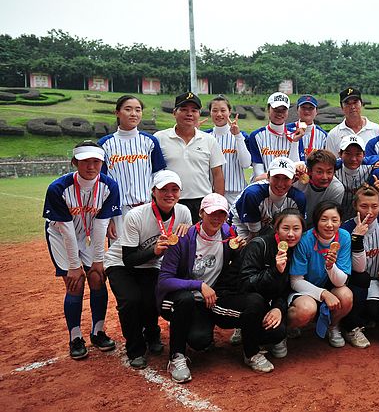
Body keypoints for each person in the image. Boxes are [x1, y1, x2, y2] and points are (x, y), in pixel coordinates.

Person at [157, 193, 283, 380]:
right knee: (194, 325)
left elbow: (235, 267)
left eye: (221, 213)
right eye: (211, 213)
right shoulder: (183, 238)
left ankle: (251, 353)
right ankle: (177, 356)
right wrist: (198, 285)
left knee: (256, 305)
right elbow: (164, 280)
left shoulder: (228, 233)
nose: (216, 218)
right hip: (182, 299)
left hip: (214, 298)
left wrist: (238, 251)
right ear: (201, 213)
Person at [104, 170, 191, 369]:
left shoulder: (183, 212)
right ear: (153, 191)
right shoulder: (136, 215)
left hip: (152, 264)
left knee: (152, 299)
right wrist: (154, 251)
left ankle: (152, 334)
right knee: (130, 301)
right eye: (164, 189)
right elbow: (128, 259)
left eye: (174, 189)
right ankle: (135, 349)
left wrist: (188, 231)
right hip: (120, 264)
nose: (169, 194)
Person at [43, 141, 121, 359]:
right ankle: (75, 337)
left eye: (96, 161)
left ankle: (98, 332)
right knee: (75, 283)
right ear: (74, 162)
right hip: (61, 235)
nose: (91, 166)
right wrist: (74, 266)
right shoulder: (58, 188)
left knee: (97, 278)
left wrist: (98, 261)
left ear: (102, 163)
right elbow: (66, 230)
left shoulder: (109, 186)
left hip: (90, 234)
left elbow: (101, 225)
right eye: (85, 161)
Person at [238, 208, 305, 363]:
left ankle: (270, 332)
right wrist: (275, 271)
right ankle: (246, 336)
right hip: (244, 299)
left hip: (269, 300)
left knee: (277, 332)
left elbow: (286, 288)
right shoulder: (259, 245)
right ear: (276, 229)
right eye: (285, 228)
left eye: (296, 229)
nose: (291, 234)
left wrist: (278, 308)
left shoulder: (297, 250)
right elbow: (245, 284)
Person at [98, 94, 166, 239]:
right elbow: (101, 184)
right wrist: (108, 217)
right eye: (128, 109)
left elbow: (159, 176)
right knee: (121, 251)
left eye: (138, 110)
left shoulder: (150, 141)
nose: (134, 114)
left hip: (148, 207)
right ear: (117, 113)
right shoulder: (105, 144)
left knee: (150, 249)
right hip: (119, 211)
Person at [287, 202, 354, 348]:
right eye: (324, 219)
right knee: (306, 309)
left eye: (334, 220)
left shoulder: (344, 237)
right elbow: (296, 281)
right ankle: (283, 332)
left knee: (346, 295)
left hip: (330, 286)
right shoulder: (305, 240)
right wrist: (323, 293)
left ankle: (333, 326)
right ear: (316, 221)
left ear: (340, 222)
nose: (329, 225)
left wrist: (330, 266)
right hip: (303, 290)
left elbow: (340, 282)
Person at [154, 92, 225, 223]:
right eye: (184, 110)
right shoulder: (159, 138)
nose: (189, 114)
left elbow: (218, 174)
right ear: (174, 112)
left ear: (199, 114)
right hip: (170, 201)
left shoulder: (209, 140)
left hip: (202, 202)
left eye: (194, 110)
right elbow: (153, 173)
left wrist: (218, 203)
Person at [340, 185, 379, 349]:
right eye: (364, 206)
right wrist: (356, 239)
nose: (369, 212)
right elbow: (357, 269)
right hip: (351, 282)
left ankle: (364, 318)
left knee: (374, 311)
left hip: (377, 280)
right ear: (355, 206)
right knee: (360, 277)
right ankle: (350, 326)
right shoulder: (345, 229)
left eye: (374, 206)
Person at [229, 157, 306, 241]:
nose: (280, 184)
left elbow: (298, 230)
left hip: (267, 226)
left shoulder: (298, 199)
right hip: (242, 226)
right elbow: (254, 234)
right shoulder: (253, 194)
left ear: (293, 179)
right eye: (276, 177)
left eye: (286, 178)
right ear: (268, 176)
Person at [205, 95, 252, 206]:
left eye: (223, 110)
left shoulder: (241, 135)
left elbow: (246, 164)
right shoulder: (205, 136)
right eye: (215, 111)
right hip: (212, 195)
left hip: (236, 194)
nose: (219, 114)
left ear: (229, 112)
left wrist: (237, 136)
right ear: (210, 113)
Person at [248, 92, 303, 180]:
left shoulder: (296, 135)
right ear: (268, 109)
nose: (280, 113)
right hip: (262, 185)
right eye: (276, 109)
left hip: (287, 185)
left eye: (283, 110)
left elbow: (295, 167)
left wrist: (295, 142)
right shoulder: (256, 136)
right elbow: (259, 174)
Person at [335, 134, 379, 220]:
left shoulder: (371, 165)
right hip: (337, 216)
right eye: (348, 154)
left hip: (363, 217)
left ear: (364, 154)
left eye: (358, 154)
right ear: (340, 154)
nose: (353, 159)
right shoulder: (332, 168)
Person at [294, 149, 344, 228]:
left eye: (329, 172)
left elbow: (330, 217)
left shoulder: (336, 189)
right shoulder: (297, 181)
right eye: (319, 172)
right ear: (309, 171)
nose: (325, 177)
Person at [325, 87, 379, 156]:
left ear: (361, 104)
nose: (352, 107)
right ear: (341, 107)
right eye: (347, 103)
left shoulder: (377, 130)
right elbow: (331, 161)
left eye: (355, 102)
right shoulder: (333, 135)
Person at [287, 94, 328, 161]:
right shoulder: (287, 130)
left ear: (316, 111)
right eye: (303, 107)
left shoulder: (323, 136)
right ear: (297, 109)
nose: (307, 111)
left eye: (311, 108)